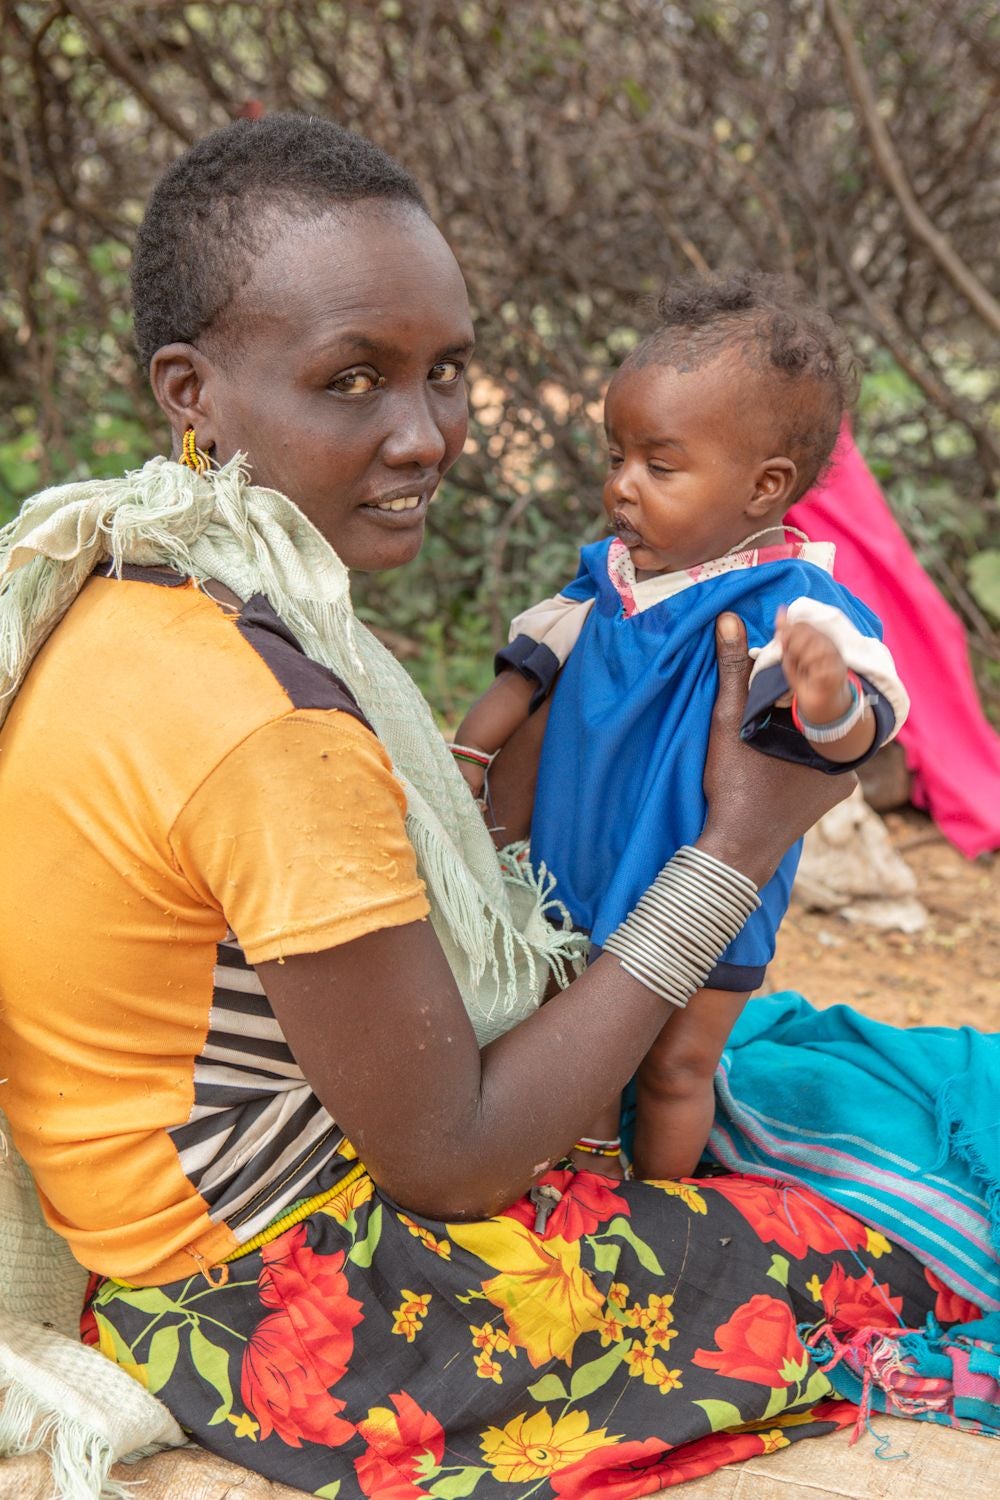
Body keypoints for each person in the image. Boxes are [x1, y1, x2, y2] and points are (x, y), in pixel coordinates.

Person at [0, 115, 954, 1499]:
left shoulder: (133, 592)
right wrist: (738, 845)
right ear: (190, 390)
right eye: (352, 379)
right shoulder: (270, 724)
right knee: (874, 1263)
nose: (427, 433)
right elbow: (451, 1161)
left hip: (153, 1244)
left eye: (447, 371)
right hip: (296, 1317)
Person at [454, 277, 908, 1181]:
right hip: (577, 864)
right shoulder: (614, 577)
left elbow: (857, 736)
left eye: (658, 467)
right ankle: (583, 1173)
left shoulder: (792, 602)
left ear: (763, 486)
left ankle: (668, 1211)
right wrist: (467, 749)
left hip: (705, 882)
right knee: (572, 1036)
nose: (622, 486)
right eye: (616, 455)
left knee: (676, 1063)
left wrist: (826, 700)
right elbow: (534, 658)